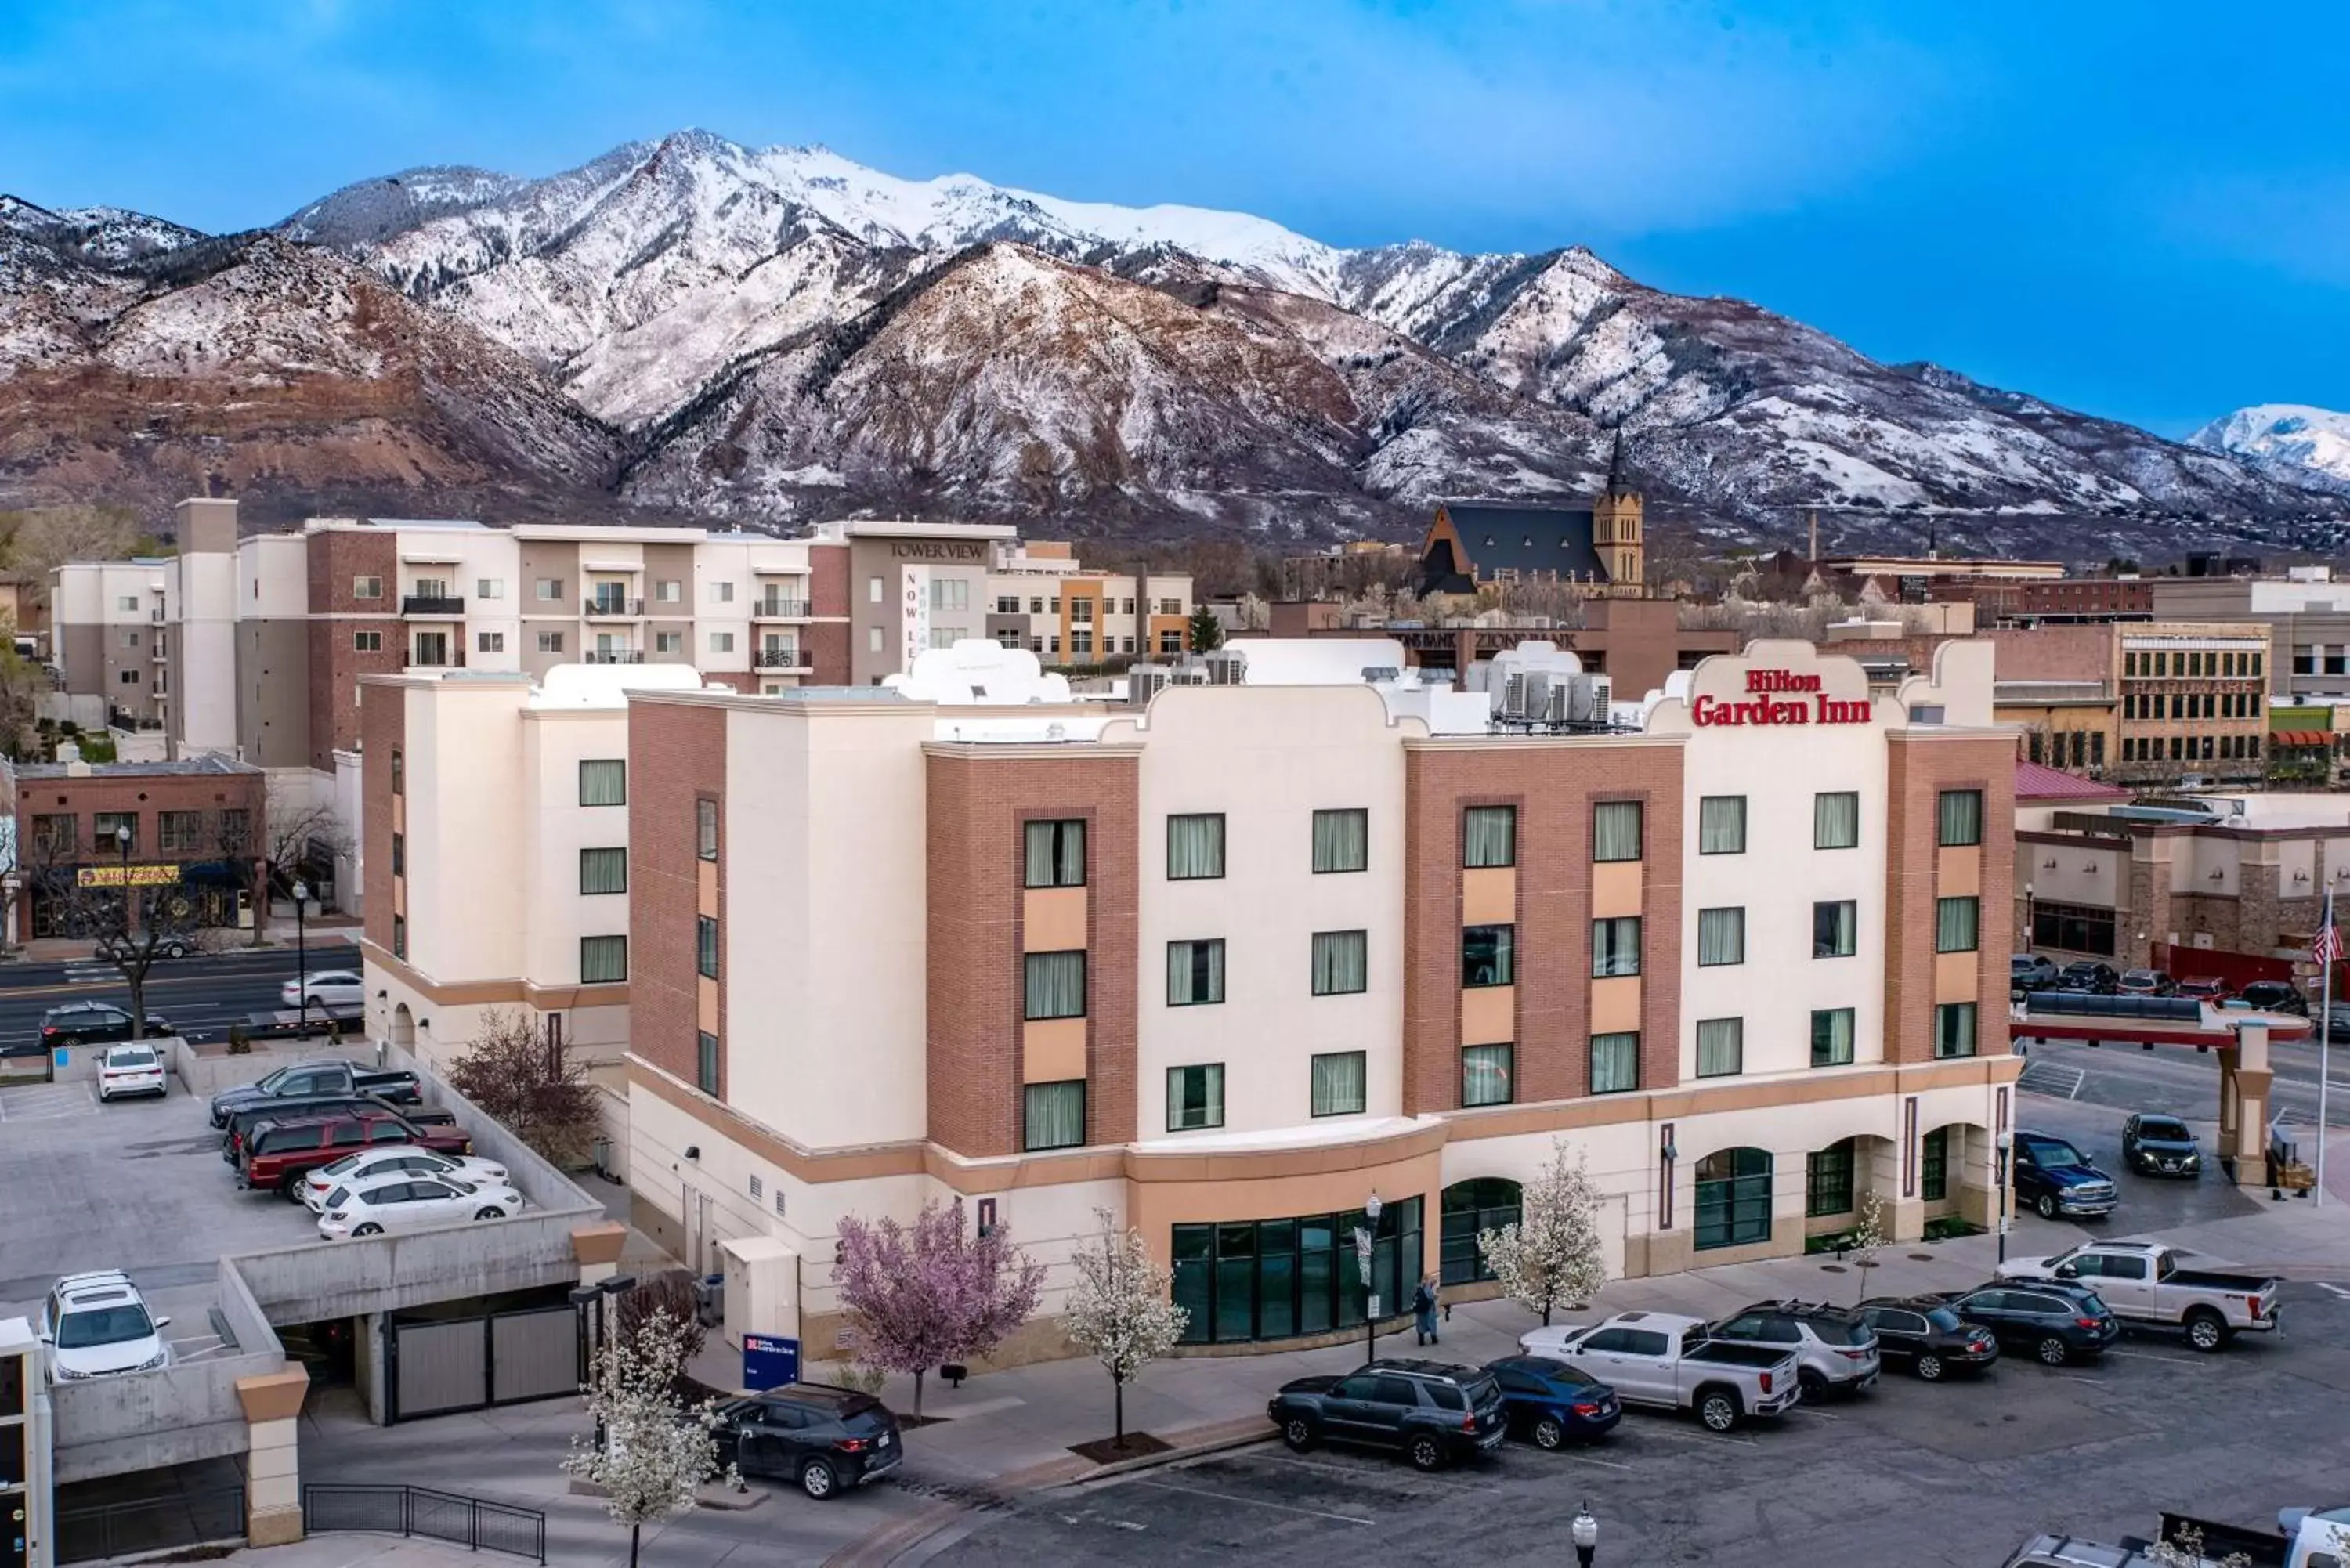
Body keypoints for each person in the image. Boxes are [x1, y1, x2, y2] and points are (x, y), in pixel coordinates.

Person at [1412, 1274, 1439, 1346]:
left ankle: (1421, 1340)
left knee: (1420, 1324)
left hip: (1420, 1309)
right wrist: (1436, 1296)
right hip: (1428, 1309)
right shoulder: (1427, 1287)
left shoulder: (1418, 1287)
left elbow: (1414, 1297)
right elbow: (1430, 1297)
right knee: (1431, 1323)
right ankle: (1434, 1338)